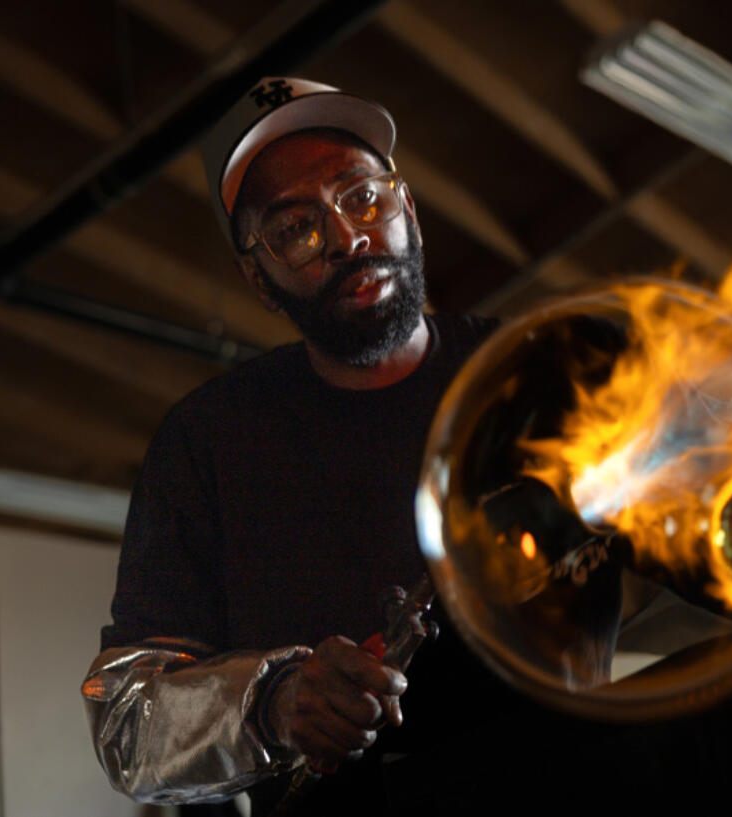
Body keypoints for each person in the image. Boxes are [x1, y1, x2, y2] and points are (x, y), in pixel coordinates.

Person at [80, 77, 505, 814]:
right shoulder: (207, 442)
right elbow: (128, 725)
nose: (346, 236)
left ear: (409, 208)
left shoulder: (537, 372)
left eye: (362, 196)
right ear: (259, 278)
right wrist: (273, 703)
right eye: (294, 229)